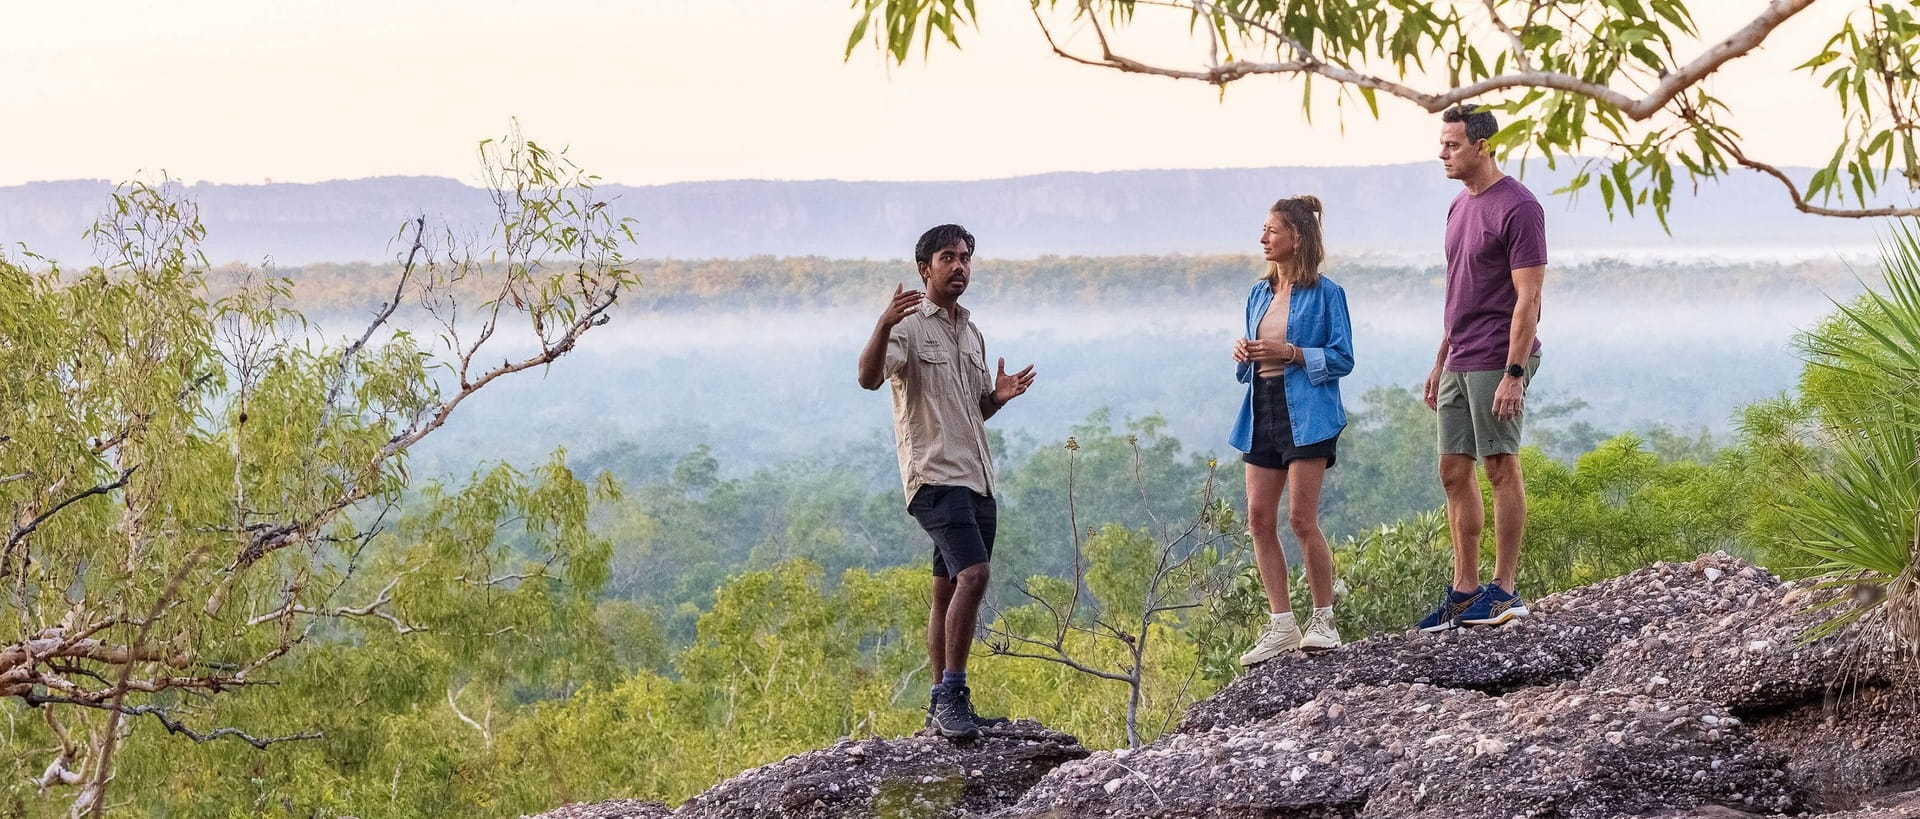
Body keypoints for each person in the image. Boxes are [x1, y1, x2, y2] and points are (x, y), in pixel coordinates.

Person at [857, 224, 1036, 740]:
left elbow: (975, 408)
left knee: (948, 588)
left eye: (965, 258)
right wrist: (883, 323)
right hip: (934, 476)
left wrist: (997, 398)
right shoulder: (908, 326)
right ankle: (953, 694)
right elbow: (868, 378)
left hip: (976, 476)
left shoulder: (971, 332)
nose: (959, 266)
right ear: (924, 269)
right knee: (974, 576)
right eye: (947, 258)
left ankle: (941, 705)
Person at [1415, 103, 1548, 632]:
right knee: (1452, 470)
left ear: (1482, 145)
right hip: (1460, 355)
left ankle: (1504, 590)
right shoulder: (1458, 206)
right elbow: (1459, 291)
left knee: (1499, 466)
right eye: (1442, 144)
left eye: (1452, 145)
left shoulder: (1519, 207)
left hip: (1499, 355)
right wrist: (1440, 359)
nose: (1442, 154)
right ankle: (1465, 589)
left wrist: (1514, 373)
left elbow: (1529, 297)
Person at [1229, 195, 1355, 666]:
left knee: (1302, 519)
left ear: (1296, 238)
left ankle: (1324, 620)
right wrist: (1244, 353)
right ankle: (1282, 625)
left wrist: (1292, 353)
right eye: (1264, 230)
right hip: (1262, 407)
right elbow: (1252, 363)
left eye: (1272, 230)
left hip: (1310, 412)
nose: (1263, 238)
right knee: (1259, 520)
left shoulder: (1328, 293)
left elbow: (1342, 358)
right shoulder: (1257, 294)